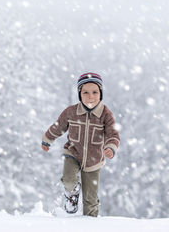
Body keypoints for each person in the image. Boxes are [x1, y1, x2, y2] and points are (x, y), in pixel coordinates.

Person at [41, 72, 120, 217]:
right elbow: (58, 127)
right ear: (79, 94)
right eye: (86, 92)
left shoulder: (105, 114)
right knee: (69, 180)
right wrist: (47, 139)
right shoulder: (71, 112)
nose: (90, 96)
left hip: (94, 160)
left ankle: (90, 223)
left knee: (90, 198)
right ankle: (72, 194)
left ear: (101, 94)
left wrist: (110, 147)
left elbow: (112, 134)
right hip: (73, 153)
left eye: (95, 92)